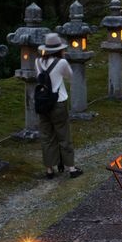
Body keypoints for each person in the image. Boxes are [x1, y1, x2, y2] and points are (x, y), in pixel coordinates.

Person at [36, 33, 82, 179]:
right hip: (58, 102)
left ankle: (49, 169)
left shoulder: (38, 62)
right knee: (63, 135)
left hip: (42, 103)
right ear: (59, 49)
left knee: (46, 136)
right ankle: (71, 168)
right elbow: (69, 76)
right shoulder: (61, 63)